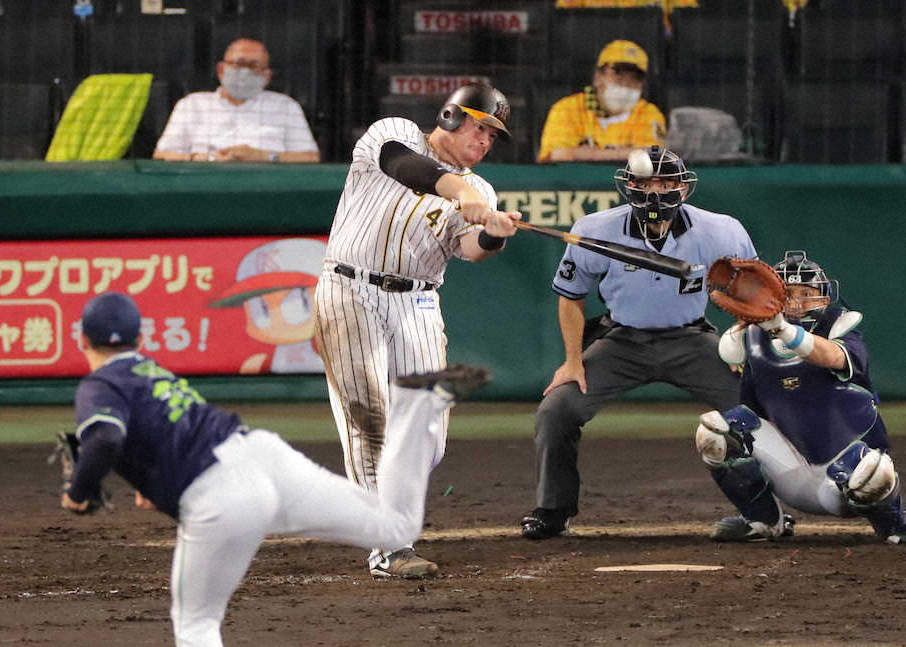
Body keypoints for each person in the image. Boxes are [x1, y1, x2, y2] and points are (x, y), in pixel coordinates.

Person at [59, 290, 490, 647]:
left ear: (81, 339)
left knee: (196, 625)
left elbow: (105, 437)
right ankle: (415, 403)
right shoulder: (153, 372)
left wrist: (79, 491)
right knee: (394, 526)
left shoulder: (98, 385)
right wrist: (149, 481)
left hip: (220, 497)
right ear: (140, 338)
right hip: (262, 456)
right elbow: (162, 437)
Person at [314, 82, 521, 578]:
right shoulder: (395, 132)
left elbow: (469, 248)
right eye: (480, 126)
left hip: (418, 300)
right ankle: (387, 544)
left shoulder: (483, 190)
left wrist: (493, 232)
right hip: (349, 289)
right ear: (450, 116)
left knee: (428, 438)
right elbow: (406, 168)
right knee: (372, 419)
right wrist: (460, 190)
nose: (486, 140)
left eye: (494, 134)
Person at [520, 145, 755, 540]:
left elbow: (751, 293)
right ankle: (552, 510)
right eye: (645, 183)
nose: (655, 192)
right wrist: (573, 360)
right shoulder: (594, 229)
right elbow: (571, 296)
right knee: (556, 410)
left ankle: (762, 510)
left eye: (665, 182)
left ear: (683, 188)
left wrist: (741, 344)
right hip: (621, 341)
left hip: (692, 338)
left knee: (754, 404)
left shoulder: (721, 230)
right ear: (628, 185)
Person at [696, 251, 906, 544]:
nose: (796, 301)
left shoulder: (840, 325)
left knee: (874, 471)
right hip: (792, 473)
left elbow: (832, 355)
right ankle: (764, 521)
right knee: (716, 431)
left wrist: (783, 329)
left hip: (847, 477)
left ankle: (895, 526)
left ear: (824, 296)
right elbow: (752, 414)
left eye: (806, 292)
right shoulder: (754, 339)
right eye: (788, 293)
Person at [153, 37, 319, 163]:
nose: (244, 73)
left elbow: (311, 157)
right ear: (221, 69)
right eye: (238, 64)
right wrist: (209, 159)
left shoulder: (285, 106)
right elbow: (161, 155)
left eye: (253, 66)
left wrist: (265, 156)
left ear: (267, 76)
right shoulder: (191, 105)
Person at [537, 39, 664, 163]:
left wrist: (589, 154)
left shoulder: (648, 113)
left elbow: (654, 156)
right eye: (618, 76)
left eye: (634, 80)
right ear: (598, 77)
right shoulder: (567, 108)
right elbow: (558, 155)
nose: (625, 86)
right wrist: (627, 153)